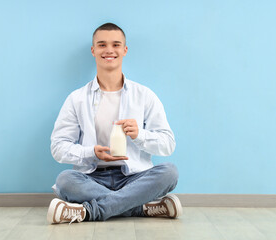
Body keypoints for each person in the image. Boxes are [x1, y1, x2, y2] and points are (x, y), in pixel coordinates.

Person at [47, 23, 182, 224]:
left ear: (124, 50)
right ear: (93, 51)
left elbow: (168, 143)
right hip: (92, 177)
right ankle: (139, 207)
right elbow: (58, 147)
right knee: (65, 181)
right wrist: (91, 152)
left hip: (134, 177)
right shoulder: (76, 99)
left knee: (169, 172)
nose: (109, 50)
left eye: (116, 44)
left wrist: (140, 135)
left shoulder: (144, 95)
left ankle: (88, 212)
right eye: (102, 45)